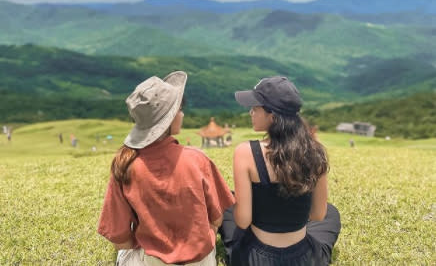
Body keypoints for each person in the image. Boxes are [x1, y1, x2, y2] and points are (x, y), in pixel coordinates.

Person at [98, 71, 235, 266]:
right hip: (200, 260)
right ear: (169, 119)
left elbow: (120, 240)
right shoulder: (198, 160)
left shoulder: (125, 164)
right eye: (179, 109)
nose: (183, 113)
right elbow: (217, 220)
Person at [220, 76, 341, 266]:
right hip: (304, 258)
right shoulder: (316, 151)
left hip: (255, 259)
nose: (250, 111)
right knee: (331, 213)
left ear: (273, 117)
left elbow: (243, 222)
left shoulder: (245, 152)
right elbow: (318, 215)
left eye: (255, 107)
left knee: (228, 206)